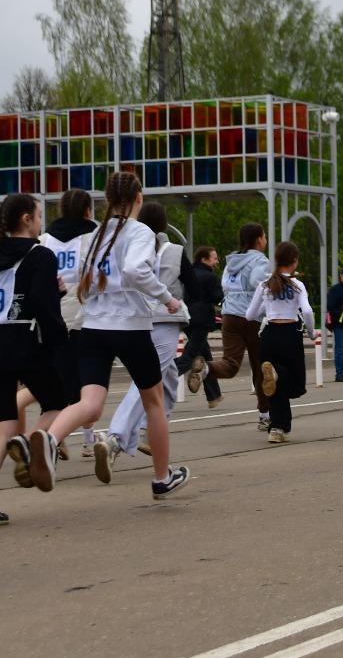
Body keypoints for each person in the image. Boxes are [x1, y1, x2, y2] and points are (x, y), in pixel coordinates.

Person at [24, 171, 190, 500]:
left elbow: (84, 279)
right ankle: (162, 478)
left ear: (108, 200)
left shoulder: (96, 234)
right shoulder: (139, 231)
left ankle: (50, 440)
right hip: (129, 326)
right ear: (138, 198)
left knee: (89, 404)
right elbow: (135, 270)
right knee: (154, 402)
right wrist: (167, 298)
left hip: (93, 328)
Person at [0, 193, 68, 525]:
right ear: (26, 219)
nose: (40, 222)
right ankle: (27, 441)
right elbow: (39, 300)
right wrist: (60, 335)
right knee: (58, 402)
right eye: (38, 216)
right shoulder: (41, 254)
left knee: (1, 429)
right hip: (26, 342)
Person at [95, 201, 200, 477]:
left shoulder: (125, 243)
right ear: (164, 223)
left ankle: (149, 432)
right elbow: (194, 287)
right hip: (164, 318)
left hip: (134, 317)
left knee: (168, 381)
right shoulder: (174, 251)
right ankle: (115, 437)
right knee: (147, 383)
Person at [39, 189, 99, 454]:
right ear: (87, 211)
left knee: (55, 377)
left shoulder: (44, 240)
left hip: (52, 315)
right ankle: (87, 438)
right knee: (87, 380)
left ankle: (55, 431)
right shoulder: (94, 237)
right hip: (84, 314)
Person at [245, 241, 318, 443]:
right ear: (294, 260)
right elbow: (308, 311)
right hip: (290, 334)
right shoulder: (297, 285)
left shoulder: (265, 285)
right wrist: (311, 332)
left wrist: (268, 310)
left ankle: (277, 428)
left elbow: (250, 315)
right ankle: (277, 373)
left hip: (269, 335)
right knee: (295, 380)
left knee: (274, 387)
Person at [202, 223, 271, 431]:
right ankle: (265, 415)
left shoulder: (231, 262)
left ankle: (206, 368)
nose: (266, 240)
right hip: (252, 318)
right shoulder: (260, 260)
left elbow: (226, 286)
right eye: (264, 236)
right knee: (260, 367)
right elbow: (258, 281)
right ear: (258, 240)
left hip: (229, 316)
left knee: (230, 363)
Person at [181, 245, 225, 407]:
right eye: (215, 258)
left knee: (204, 355)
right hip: (201, 320)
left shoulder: (187, 273)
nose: (217, 261)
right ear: (204, 259)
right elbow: (217, 298)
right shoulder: (210, 277)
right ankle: (165, 376)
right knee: (191, 355)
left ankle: (214, 396)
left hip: (187, 318)